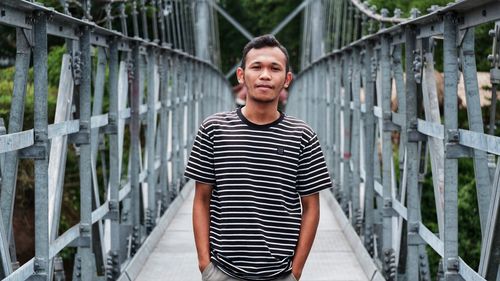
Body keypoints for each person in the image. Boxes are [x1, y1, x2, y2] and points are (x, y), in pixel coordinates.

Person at [185, 34, 332, 281]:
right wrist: (205, 265)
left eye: (274, 68)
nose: (265, 75)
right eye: (256, 67)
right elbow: (201, 199)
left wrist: (295, 272)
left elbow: (311, 207)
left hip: (280, 274)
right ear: (241, 76)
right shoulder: (214, 129)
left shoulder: (302, 135)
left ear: (286, 80)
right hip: (223, 271)